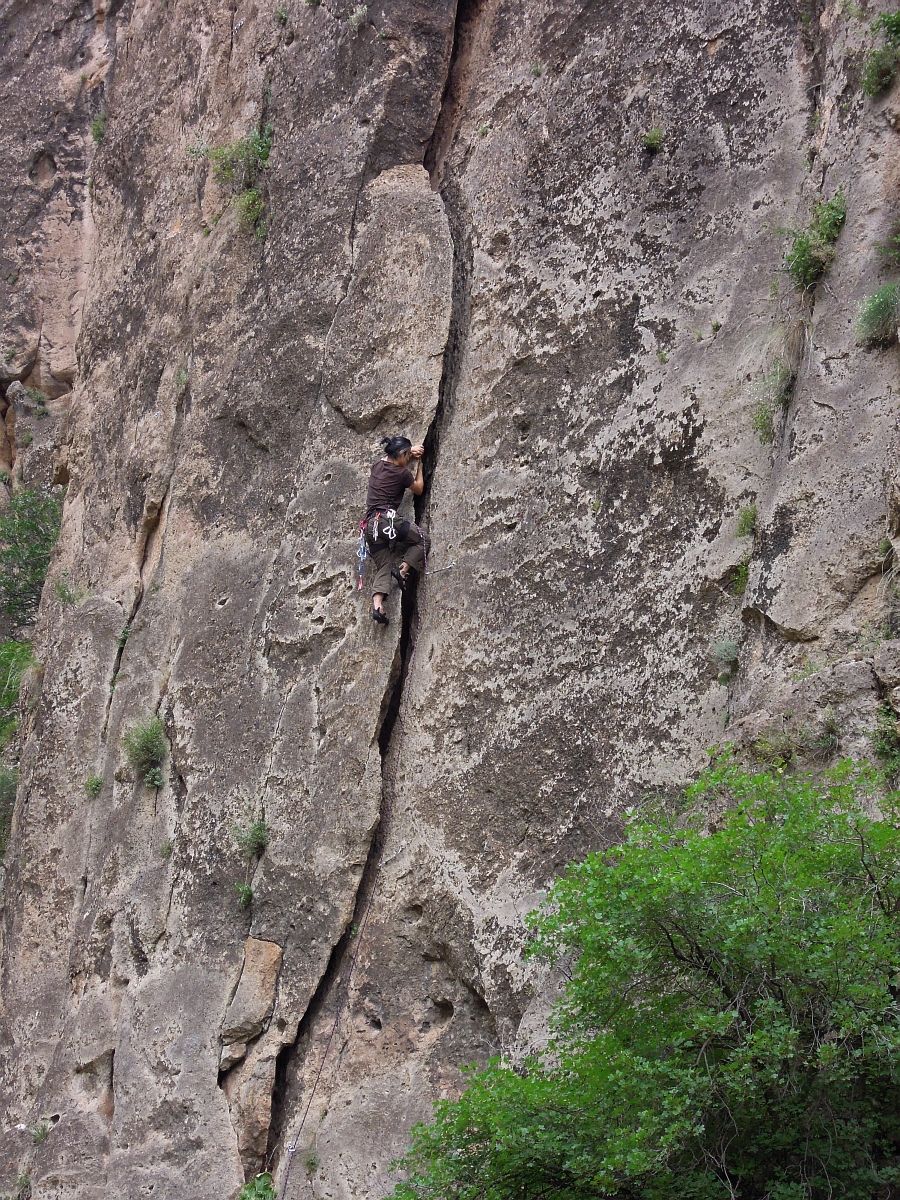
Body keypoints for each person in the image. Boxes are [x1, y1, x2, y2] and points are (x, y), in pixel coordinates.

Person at [363, 435, 430, 624]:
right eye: (407, 456)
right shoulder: (402, 474)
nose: (408, 459)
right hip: (387, 521)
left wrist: (411, 449)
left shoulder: (377, 465)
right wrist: (419, 468)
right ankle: (402, 570)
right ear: (400, 454)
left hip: (370, 526)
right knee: (423, 540)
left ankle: (378, 606)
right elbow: (418, 489)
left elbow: (396, 456)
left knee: (383, 565)